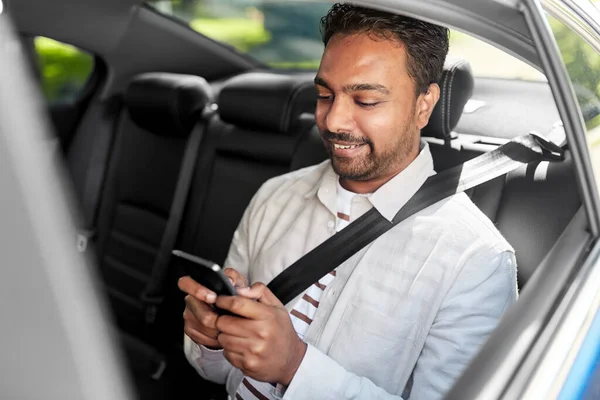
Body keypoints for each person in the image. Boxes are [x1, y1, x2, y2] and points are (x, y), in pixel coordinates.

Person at [178, 3, 517, 399]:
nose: (334, 120)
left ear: (424, 104)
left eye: (366, 101)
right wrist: (212, 338)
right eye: (324, 94)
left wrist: (294, 367)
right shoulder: (275, 197)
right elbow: (217, 373)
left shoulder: (476, 260)